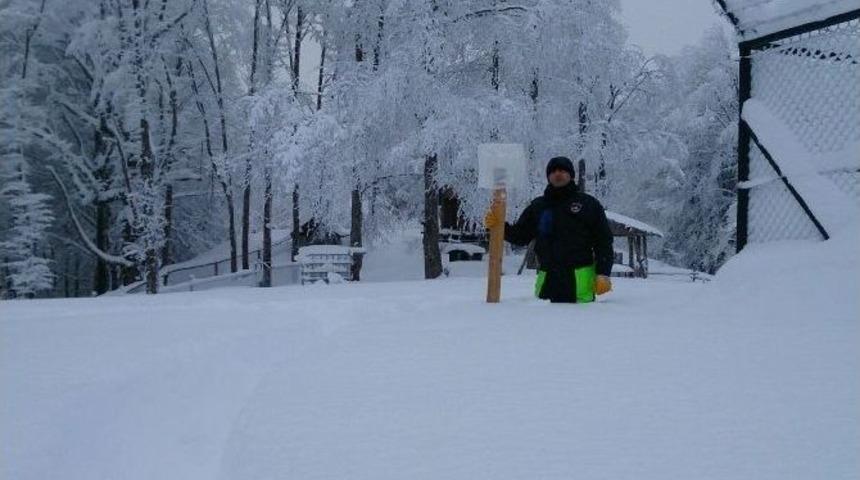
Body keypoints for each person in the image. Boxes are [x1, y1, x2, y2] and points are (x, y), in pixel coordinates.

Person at [485, 156, 614, 303]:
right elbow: (520, 236)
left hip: (579, 287)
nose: (557, 174)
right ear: (548, 176)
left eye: (562, 170)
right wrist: (499, 227)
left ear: (571, 175)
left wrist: (603, 273)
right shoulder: (538, 206)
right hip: (547, 285)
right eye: (553, 171)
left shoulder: (588, 204)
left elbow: (603, 241)